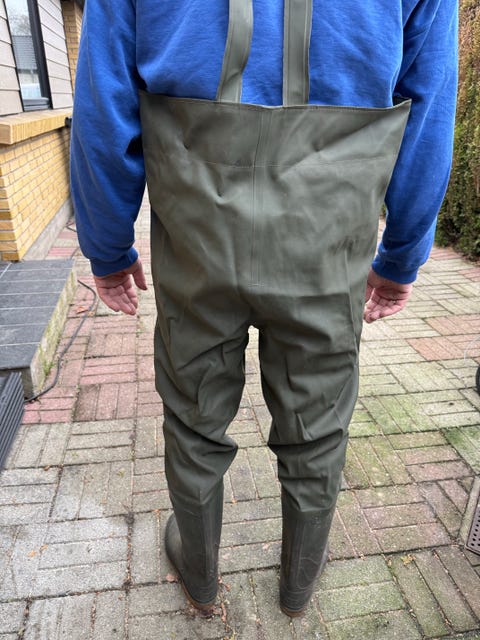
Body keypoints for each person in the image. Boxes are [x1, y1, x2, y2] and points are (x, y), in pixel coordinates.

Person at [70, 0, 457, 617]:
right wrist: (402, 255)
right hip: (327, 240)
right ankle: (297, 585)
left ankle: (199, 573)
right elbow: (429, 106)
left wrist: (107, 243)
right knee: (318, 417)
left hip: (197, 236)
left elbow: (103, 101)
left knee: (194, 412)